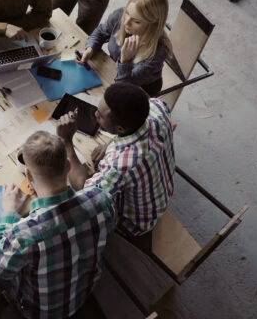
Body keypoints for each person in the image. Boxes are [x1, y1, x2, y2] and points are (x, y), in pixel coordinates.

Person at [0, 131, 116, 318]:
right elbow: (110, 228)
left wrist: (8, 213)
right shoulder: (102, 198)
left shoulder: (23, 234)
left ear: (28, 174)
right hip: (85, 293)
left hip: (41, 312)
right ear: (67, 166)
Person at [59, 82, 175, 242]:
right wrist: (110, 144)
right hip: (162, 192)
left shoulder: (120, 165)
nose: (95, 116)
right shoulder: (158, 108)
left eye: (100, 115)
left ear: (120, 129)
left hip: (138, 223)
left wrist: (66, 141)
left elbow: (84, 190)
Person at [77, 0, 171, 96]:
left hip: (142, 89)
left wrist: (125, 60)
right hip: (113, 69)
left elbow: (123, 89)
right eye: (127, 13)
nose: (126, 22)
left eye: (136, 21)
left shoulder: (159, 52)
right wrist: (90, 49)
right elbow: (101, 32)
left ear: (153, 24)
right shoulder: (120, 15)